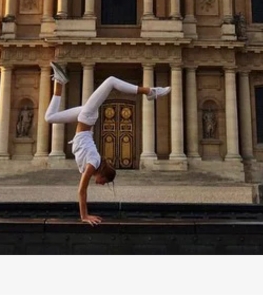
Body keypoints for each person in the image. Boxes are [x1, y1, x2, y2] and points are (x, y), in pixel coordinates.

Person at [45, 62, 170, 226]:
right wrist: (85, 216)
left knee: (50, 117)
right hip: (87, 117)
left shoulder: (92, 164)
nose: (101, 184)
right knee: (111, 80)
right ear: (102, 175)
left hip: (85, 117)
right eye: (104, 182)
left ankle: (59, 82)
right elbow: (81, 191)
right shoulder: (92, 164)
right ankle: (150, 91)